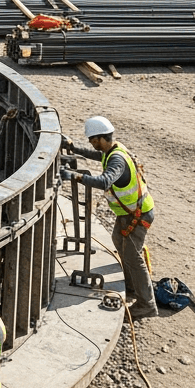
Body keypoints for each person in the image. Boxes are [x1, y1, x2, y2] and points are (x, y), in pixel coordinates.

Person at [62, 116, 157, 320]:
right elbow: (97, 156)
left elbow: (104, 181)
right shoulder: (112, 150)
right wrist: (74, 148)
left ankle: (147, 304)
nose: (91, 144)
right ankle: (132, 287)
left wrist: (75, 176)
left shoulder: (117, 160)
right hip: (129, 212)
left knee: (133, 256)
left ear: (99, 138)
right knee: (118, 241)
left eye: (92, 140)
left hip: (137, 215)